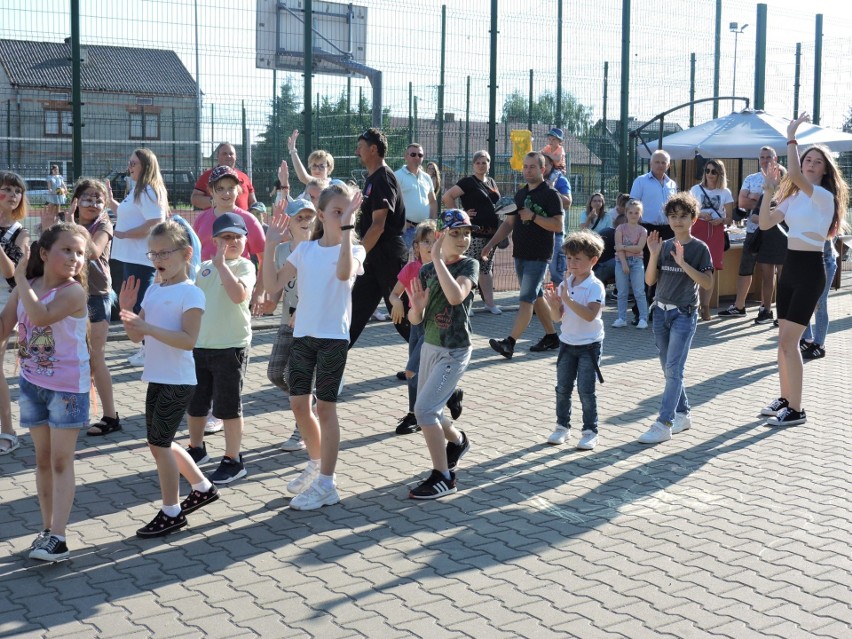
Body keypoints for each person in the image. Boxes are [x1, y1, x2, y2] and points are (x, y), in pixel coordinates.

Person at [119, 221, 219, 538]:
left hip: (179, 380)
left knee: (160, 445)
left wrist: (146, 329)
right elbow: (137, 338)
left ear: (186, 253)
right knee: (158, 442)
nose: (158, 258)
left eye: (165, 252)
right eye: (154, 252)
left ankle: (171, 512)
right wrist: (126, 312)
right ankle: (202, 487)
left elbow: (188, 340)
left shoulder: (191, 294)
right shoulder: (153, 289)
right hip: (157, 377)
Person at [275, 183, 366, 510]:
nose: (342, 217)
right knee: (299, 404)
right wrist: (270, 244)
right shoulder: (305, 250)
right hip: (303, 338)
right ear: (322, 215)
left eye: (347, 211)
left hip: (333, 340)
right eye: (336, 212)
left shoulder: (355, 251)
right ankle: (315, 464)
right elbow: (272, 285)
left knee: (325, 409)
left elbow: (343, 275)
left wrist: (347, 229)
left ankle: (327, 484)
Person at [4, 224, 89, 561]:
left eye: (80, 252)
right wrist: (21, 284)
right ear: (44, 253)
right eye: (67, 250)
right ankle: (46, 530)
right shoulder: (29, 287)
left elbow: (39, 317)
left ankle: (60, 535)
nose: (74, 258)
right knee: (41, 460)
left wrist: (19, 279)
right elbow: (4, 324)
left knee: (59, 460)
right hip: (31, 383)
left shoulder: (74, 292)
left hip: (67, 388)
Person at [758, 114, 848, 427]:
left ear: (825, 170)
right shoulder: (794, 196)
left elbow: (792, 172)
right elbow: (766, 222)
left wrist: (791, 136)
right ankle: (785, 399)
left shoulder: (824, 197)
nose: (809, 165)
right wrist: (770, 189)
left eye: (815, 162)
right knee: (784, 342)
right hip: (790, 268)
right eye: (806, 159)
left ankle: (797, 410)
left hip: (812, 270)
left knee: (788, 343)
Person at [407, 209, 478, 500]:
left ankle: (444, 477)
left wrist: (436, 259)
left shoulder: (468, 266)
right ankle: (458, 441)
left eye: (467, 233)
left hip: (454, 351)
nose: (463, 239)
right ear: (441, 235)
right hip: (430, 347)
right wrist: (417, 307)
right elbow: (415, 320)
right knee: (427, 409)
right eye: (456, 233)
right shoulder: (425, 272)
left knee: (424, 411)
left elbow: (455, 296)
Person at [184, 213, 256, 485]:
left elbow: (238, 295)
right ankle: (197, 448)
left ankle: (234, 459)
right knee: (196, 404)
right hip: (200, 346)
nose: (232, 241)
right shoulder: (203, 268)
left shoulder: (244, 266)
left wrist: (222, 265)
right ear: (214, 240)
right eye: (226, 237)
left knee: (228, 407)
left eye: (237, 236)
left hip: (231, 347)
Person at [638, 193, 714, 444]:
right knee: (669, 370)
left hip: (684, 314)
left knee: (673, 370)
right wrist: (652, 253)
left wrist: (683, 263)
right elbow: (650, 281)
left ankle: (664, 422)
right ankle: (683, 414)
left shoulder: (700, 248)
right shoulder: (665, 245)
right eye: (673, 216)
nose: (678, 221)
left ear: (693, 218)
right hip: (659, 313)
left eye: (683, 216)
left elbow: (707, 283)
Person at [483, 152, 564, 358]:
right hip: (520, 254)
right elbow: (509, 224)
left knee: (526, 300)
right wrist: (491, 244)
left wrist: (534, 216)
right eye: (525, 167)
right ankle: (552, 336)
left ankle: (509, 343)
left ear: (542, 169)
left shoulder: (550, 194)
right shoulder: (520, 194)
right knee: (535, 297)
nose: (528, 170)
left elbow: (558, 225)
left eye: (532, 167)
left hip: (539, 256)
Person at [388, 220, 465, 436]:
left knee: (412, 370)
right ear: (416, 246)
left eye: (435, 241)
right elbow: (394, 293)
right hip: (416, 325)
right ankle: (450, 395)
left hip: (436, 325)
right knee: (422, 372)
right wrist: (396, 302)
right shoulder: (412, 268)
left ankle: (415, 414)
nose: (431, 246)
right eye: (426, 242)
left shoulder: (444, 270)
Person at [263, 198, 318, 453]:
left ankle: (302, 431)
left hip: (312, 325)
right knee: (275, 373)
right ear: (289, 223)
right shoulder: (282, 251)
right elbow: (276, 288)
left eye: (309, 217)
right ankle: (310, 402)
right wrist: (268, 302)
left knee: (297, 378)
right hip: (288, 320)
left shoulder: (319, 248)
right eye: (299, 218)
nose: (305, 222)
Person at [543, 231, 606, 450]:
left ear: (593, 260)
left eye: (577, 259)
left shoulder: (595, 286)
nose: (572, 263)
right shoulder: (564, 284)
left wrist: (567, 300)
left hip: (589, 346)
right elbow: (557, 318)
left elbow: (590, 315)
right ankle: (562, 427)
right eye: (569, 258)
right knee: (562, 388)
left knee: (586, 390)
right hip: (567, 344)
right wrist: (553, 305)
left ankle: (590, 431)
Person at [68, 179, 120, 436]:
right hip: (68, 294)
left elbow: (92, 250)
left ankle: (111, 416)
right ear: (76, 201)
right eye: (87, 198)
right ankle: (75, 412)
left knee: (95, 355)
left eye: (98, 199)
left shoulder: (104, 224)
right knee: (74, 356)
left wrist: (71, 228)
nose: (94, 203)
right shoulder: (66, 223)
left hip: (97, 296)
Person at [349, 128, 409, 346]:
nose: (357, 151)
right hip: (374, 257)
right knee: (353, 313)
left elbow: (378, 226)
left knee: (401, 314)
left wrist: (358, 254)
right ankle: (329, 367)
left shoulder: (383, 178)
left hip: (387, 256)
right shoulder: (373, 178)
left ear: (373, 149)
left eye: (361, 146)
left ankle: (427, 364)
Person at [112, 149, 168, 366]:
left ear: (146, 166)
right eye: (130, 162)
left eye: (134, 163)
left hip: (141, 258)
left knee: (139, 304)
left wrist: (126, 234)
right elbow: (129, 214)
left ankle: (151, 350)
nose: (130, 166)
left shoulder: (148, 191)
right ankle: (148, 348)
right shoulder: (137, 189)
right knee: (137, 303)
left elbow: (155, 221)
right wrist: (110, 201)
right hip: (132, 257)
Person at [719, 147, 778, 318]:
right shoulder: (751, 178)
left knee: (769, 271)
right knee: (745, 269)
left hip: (773, 233)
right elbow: (742, 203)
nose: (765, 160)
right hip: (752, 232)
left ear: (775, 159)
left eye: (769, 157)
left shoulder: (782, 176)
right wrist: (764, 199)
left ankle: (766, 308)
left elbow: (779, 204)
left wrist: (756, 197)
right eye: (762, 157)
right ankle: (739, 306)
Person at [443, 150, 502, 314]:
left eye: (485, 162)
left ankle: (489, 303)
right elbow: (448, 196)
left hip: (491, 234)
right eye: (478, 162)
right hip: (473, 233)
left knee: (486, 268)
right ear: (473, 165)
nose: (482, 165)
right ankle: (465, 302)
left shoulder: (491, 182)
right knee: (469, 267)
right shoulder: (468, 182)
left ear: (489, 164)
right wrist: (461, 215)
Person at [0, 171, 30, 455]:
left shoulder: (20, 233)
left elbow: (12, 274)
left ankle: (8, 430)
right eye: (6, 190)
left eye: (17, 191)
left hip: (5, 298)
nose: (12, 195)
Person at [689, 159, 734, 320]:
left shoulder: (725, 192)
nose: (710, 174)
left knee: (709, 269)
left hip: (716, 231)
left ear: (720, 173)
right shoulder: (695, 189)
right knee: (692, 267)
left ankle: (705, 307)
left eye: (714, 171)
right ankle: (692, 304)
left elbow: (730, 218)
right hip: (697, 228)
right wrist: (700, 214)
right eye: (707, 170)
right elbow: (688, 211)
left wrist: (721, 220)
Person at [799, 239, 838, 360]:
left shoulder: (827, 220)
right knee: (802, 300)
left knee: (819, 302)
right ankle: (807, 339)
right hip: (805, 262)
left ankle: (819, 345)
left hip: (824, 262)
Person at [612, 199, 649, 329]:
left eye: (636, 213)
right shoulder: (620, 228)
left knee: (639, 291)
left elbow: (639, 248)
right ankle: (621, 318)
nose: (633, 215)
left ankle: (643, 318)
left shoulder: (643, 231)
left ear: (640, 214)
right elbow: (618, 248)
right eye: (631, 212)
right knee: (622, 292)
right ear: (626, 213)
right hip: (621, 262)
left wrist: (622, 246)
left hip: (637, 262)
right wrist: (623, 263)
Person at [395, 143, 438, 249]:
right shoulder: (397, 176)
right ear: (406, 156)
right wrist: (401, 222)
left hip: (425, 229)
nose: (417, 157)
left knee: (426, 262)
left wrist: (432, 222)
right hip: (407, 230)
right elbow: (392, 203)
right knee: (409, 262)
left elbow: (432, 201)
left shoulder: (427, 177)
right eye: (413, 154)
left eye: (420, 155)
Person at [191, 142, 256, 211]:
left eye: (231, 154)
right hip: (216, 220)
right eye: (224, 154)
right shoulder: (207, 175)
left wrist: (257, 208)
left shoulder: (244, 177)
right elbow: (195, 199)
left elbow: (252, 201)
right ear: (217, 156)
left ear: (235, 157)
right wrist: (215, 201)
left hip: (242, 220)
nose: (228, 156)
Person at [630, 150, 678, 241]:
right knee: (648, 255)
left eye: (663, 162)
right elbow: (633, 203)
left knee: (667, 255)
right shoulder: (640, 181)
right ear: (651, 163)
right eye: (657, 162)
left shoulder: (672, 184)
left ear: (668, 165)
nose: (660, 165)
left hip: (668, 228)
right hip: (647, 228)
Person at [544, 155, 573, 287]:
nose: (542, 168)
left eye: (545, 164)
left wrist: (552, 189)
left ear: (551, 164)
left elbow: (567, 203)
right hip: (537, 232)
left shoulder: (560, 180)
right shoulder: (534, 180)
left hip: (556, 233)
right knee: (537, 271)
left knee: (557, 272)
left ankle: (563, 303)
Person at [44, 164, 67, 231]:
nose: (56, 170)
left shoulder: (60, 177)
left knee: (58, 207)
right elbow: (49, 187)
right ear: (52, 170)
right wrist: (51, 190)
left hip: (59, 193)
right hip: (53, 193)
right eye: (55, 169)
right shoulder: (50, 177)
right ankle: (50, 221)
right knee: (51, 207)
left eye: (57, 169)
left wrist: (65, 189)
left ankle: (57, 222)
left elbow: (63, 184)